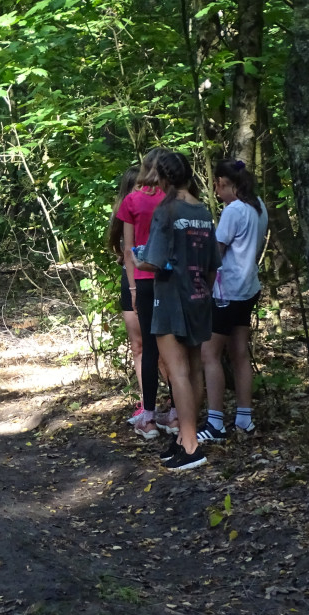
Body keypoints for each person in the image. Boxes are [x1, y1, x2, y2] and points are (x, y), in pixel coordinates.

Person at [134, 151, 219, 471]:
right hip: (199, 295)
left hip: (170, 298)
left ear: (165, 177)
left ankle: (191, 445)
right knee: (194, 369)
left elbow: (153, 260)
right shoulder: (202, 209)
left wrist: (140, 259)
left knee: (178, 372)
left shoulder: (166, 209)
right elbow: (213, 263)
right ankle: (186, 438)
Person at [198, 159, 269, 443]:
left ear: (229, 184)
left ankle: (215, 422)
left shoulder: (234, 210)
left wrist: (201, 279)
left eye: (218, 185)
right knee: (239, 352)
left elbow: (217, 251)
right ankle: (244, 416)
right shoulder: (259, 206)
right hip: (248, 288)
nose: (216, 191)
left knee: (209, 354)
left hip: (226, 291)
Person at [116, 147, 175, 439]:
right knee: (173, 347)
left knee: (150, 349)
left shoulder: (131, 200)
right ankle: (176, 413)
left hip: (144, 279)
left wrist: (134, 288)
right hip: (171, 278)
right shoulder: (174, 199)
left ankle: (149, 417)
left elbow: (128, 251)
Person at [107, 165, 146, 425]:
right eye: (136, 187)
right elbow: (120, 249)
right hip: (128, 278)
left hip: (151, 279)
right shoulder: (122, 214)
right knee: (138, 344)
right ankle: (147, 403)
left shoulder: (154, 209)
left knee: (161, 346)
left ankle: (172, 403)